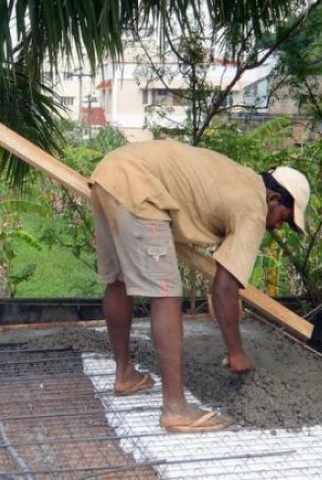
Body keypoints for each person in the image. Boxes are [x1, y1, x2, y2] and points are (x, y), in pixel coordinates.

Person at [89, 138, 310, 433]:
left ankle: (125, 374)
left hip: (110, 175)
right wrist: (236, 352)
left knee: (117, 282)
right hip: (141, 189)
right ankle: (176, 408)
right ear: (274, 200)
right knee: (166, 293)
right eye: (285, 217)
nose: (280, 226)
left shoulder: (241, 178)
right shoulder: (253, 209)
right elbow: (223, 288)